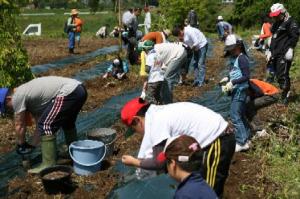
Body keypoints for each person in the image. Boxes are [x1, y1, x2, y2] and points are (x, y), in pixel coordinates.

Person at [120, 98, 236, 197]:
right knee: (200, 186)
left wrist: (134, 162)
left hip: (217, 140)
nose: (138, 133)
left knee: (208, 190)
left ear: (137, 120)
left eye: (134, 129)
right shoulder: (155, 113)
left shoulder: (156, 122)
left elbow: (158, 163)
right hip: (211, 139)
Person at [0, 76, 87, 173]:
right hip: (79, 89)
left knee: (47, 125)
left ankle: (48, 164)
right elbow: (39, 126)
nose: (9, 110)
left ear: (8, 99)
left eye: (6, 107)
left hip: (69, 92)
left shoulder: (17, 97)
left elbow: (19, 125)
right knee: (67, 122)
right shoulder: (32, 99)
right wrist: (32, 145)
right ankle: (73, 153)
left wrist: (21, 145)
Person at [220, 34, 251, 152]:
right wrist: (227, 78)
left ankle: (242, 142)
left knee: (234, 115)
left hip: (240, 90)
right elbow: (235, 72)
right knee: (240, 115)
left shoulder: (242, 58)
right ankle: (246, 138)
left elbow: (246, 76)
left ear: (238, 46)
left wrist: (232, 82)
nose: (230, 51)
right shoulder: (236, 58)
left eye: (232, 48)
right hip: (237, 89)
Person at [267, 3, 299, 104]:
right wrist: (269, 50)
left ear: (283, 12)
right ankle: (283, 90)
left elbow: (294, 36)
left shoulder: (291, 22)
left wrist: (290, 48)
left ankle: (286, 95)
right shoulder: (276, 23)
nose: (275, 17)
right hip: (275, 52)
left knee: (282, 75)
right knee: (276, 74)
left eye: (277, 15)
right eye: (274, 16)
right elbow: (274, 37)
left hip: (284, 53)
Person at [138, 40, 168, 104]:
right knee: (157, 96)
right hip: (161, 78)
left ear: (147, 49)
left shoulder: (149, 56)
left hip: (153, 79)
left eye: (144, 49)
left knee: (149, 97)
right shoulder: (158, 54)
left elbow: (147, 69)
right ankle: (161, 107)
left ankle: (155, 108)